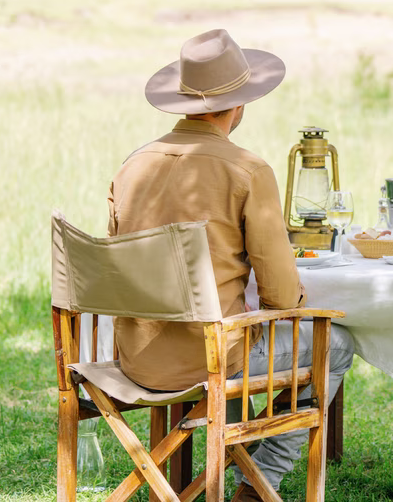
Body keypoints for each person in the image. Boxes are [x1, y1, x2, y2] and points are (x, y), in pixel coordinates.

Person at [108, 28, 355, 502]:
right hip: (211, 360)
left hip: (134, 358)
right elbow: (281, 297)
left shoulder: (131, 166)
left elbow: (119, 264)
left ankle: (238, 467)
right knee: (336, 343)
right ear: (239, 105)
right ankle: (257, 483)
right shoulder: (247, 169)